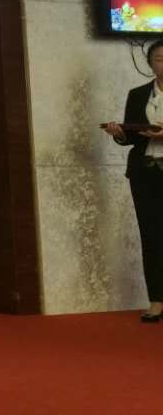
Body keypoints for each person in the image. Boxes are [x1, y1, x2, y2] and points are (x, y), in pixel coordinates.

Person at [100, 39, 163, 323]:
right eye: (159, 59)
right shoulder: (138, 94)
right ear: (150, 64)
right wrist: (119, 133)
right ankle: (157, 301)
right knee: (151, 236)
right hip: (145, 173)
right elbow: (131, 138)